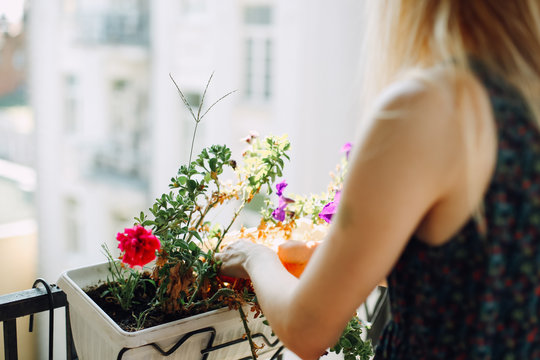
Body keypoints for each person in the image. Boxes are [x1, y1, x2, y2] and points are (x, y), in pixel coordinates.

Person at [216, 1, 540, 359]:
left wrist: (254, 257)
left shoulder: (428, 107)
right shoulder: (525, 101)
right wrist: (353, 260)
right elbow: (486, 276)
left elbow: (306, 329)